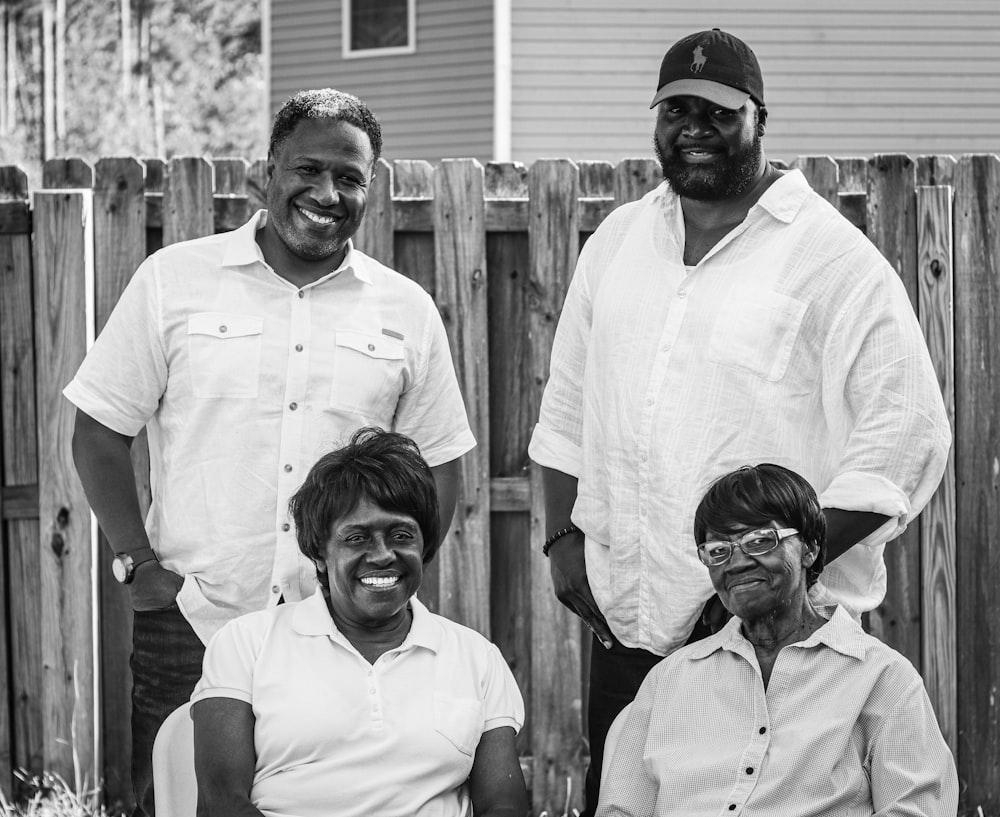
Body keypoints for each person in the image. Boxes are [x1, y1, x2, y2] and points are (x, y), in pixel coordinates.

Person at [527, 28, 951, 815]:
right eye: (675, 109)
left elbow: (908, 431)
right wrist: (560, 538)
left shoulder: (830, 258)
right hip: (629, 620)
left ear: (760, 117)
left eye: (718, 112)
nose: (694, 127)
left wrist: (769, 558)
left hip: (771, 632)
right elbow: (566, 407)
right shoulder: (619, 240)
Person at [64, 89, 476, 816]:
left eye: (349, 177)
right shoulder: (175, 281)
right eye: (308, 169)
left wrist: (383, 582)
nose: (327, 192)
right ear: (267, 174)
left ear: (370, 188)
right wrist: (138, 563)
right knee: (179, 799)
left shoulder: (404, 309)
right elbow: (99, 430)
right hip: (191, 617)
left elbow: (441, 464)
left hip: (341, 630)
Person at [191, 428, 526, 817]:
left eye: (401, 534)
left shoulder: (476, 657)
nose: (382, 555)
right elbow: (220, 803)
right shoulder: (246, 644)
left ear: (424, 545)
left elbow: (504, 805)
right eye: (356, 538)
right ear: (319, 552)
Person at [596, 464, 958, 816]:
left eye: (759, 541)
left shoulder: (882, 678)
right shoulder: (668, 682)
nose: (736, 563)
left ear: (810, 549)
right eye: (719, 550)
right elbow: (621, 809)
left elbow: (918, 808)